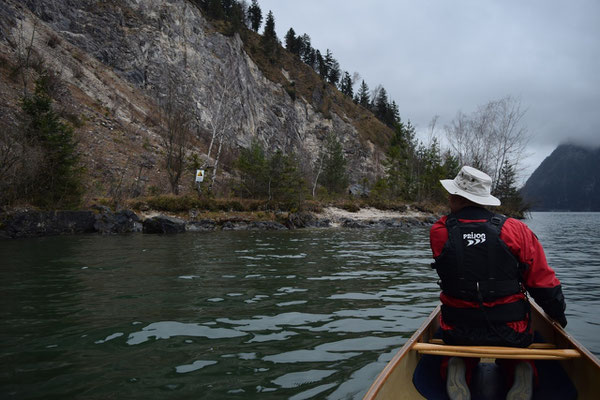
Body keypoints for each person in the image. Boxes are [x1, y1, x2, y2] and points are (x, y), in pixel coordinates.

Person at [429, 166, 567, 400]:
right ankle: (519, 367)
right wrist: (558, 316)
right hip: (511, 328)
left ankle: (458, 364)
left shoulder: (439, 230)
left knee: (460, 341)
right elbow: (542, 281)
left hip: (458, 325)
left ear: (456, 197)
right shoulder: (515, 229)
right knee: (518, 345)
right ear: (483, 199)